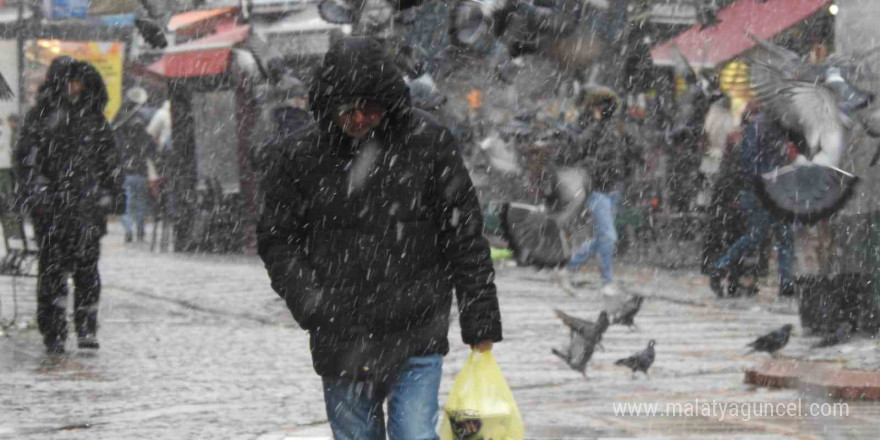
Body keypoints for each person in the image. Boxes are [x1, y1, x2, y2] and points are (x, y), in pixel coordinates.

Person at [257, 37, 502, 439]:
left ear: (387, 102)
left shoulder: (430, 143)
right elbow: (276, 239)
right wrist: (311, 302)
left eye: (368, 108)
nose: (357, 119)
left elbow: (465, 235)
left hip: (416, 330)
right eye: (346, 109)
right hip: (341, 336)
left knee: (414, 434)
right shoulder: (299, 156)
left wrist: (480, 319)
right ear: (327, 104)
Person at [14, 56, 123, 354]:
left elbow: (109, 160)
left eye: (80, 82)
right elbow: (26, 160)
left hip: (86, 210)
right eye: (71, 81)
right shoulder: (42, 117)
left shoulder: (93, 119)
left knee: (87, 271)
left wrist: (110, 192)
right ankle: (55, 331)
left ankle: (86, 326)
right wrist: (38, 193)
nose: (75, 88)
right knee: (53, 272)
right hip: (52, 211)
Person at [560, 86, 643, 296]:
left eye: (610, 105)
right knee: (608, 235)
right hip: (596, 188)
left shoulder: (615, 128)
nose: (608, 109)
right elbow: (578, 148)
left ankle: (568, 269)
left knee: (602, 238)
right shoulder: (593, 127)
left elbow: (629, 152)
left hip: (612, 188)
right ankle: (606, 282)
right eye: (604, 105)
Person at [711, 103, 795, 298]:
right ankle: (785, 282)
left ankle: (785, 282)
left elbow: (751, 162)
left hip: (765, 191)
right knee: (770, 236)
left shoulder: (761, 130)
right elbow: (755, 162)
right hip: (765, 191)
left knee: (769, 236)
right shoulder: (765, 130)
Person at [116, 88, 157, 243]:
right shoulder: (145, 121)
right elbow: (151, 148)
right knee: (141, 201)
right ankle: (140, 229)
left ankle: (128, 230)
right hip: (141, 169)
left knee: (126, 202)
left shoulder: (120, 122)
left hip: (125, 169)